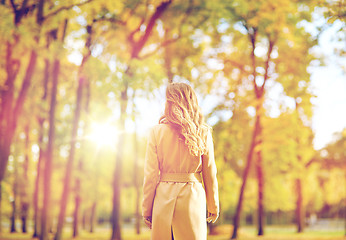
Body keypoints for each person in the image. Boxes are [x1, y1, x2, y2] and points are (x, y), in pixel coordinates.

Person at [142, 82, 219, 240]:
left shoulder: (156, 132)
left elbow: (150, 175)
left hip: (163, 197)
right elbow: (209, 173)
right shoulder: (203, 132)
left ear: (168, 102)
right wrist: (213, 204)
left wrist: (147, 209)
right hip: (192, 197)